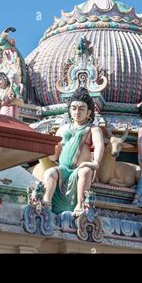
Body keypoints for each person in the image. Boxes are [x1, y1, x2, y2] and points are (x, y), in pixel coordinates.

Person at [42, 87, 104, 215]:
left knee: (86, 171)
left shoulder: (92, 129)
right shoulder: (62, 129)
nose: (77, 112)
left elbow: (99, 145)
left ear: (88, 113)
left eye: (82, 109)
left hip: (80, 169)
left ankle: (80, 205)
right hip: (63, 169)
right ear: (70, 111)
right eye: (74, 108)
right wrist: (48, 144)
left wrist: (96, 162)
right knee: (49, 174)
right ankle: (46, 204)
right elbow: (54, 157)